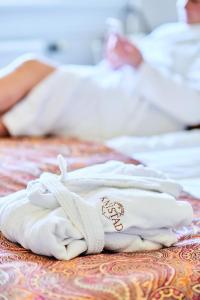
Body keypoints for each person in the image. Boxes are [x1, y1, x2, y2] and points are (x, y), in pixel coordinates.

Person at [0, 0, 199, 141]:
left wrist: (139, 64)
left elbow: (194, 108)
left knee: (41, 75)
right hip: (111, 83)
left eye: (195, 1)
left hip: (135, 108)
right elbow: (131, 66)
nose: (184, 5)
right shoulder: (168, 32)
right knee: (34, 71)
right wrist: (117, 58)